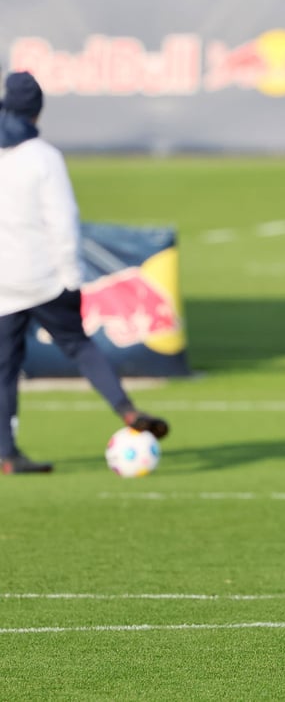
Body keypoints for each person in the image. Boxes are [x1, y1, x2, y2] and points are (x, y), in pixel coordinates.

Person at [0, 71, 169, 475]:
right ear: (38, 109)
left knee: (4, 370)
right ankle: (125, 409)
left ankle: (6, 453)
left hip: (4, 282)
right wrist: (72, 275)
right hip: (45, 278)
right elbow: (63, 220)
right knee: (79, 346)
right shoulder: (44, 157)